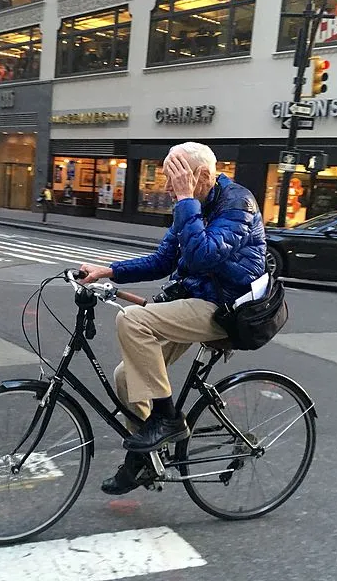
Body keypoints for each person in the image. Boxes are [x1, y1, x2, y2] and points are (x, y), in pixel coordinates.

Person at [78, 142, 266, 496]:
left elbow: (202, 255)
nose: (166, 187)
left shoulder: (238, 204)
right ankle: (144, 461)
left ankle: (168, 418)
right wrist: (107, 271)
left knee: (133, 321)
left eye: (176, 178)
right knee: (126, 378)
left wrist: (185, 200)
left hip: (227, 308)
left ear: (204, 176)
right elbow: (163, 260)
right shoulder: (191, 207)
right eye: (168, 178)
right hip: (195, 299)